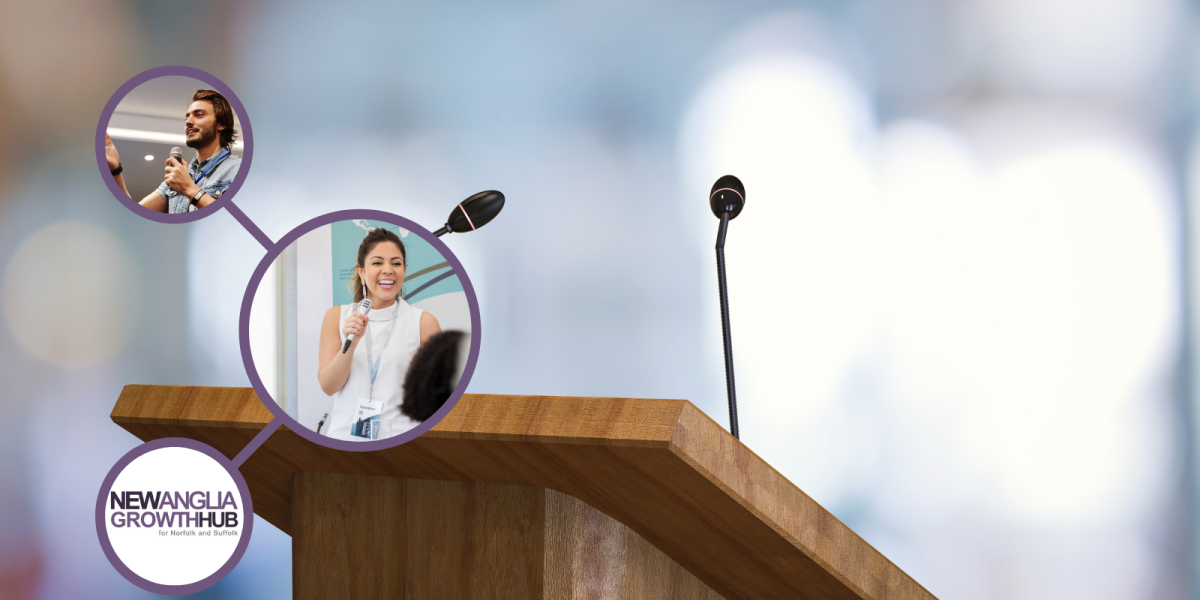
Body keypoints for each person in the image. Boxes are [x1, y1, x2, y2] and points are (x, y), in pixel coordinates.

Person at [317, 228, 442, 440]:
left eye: (396, 263)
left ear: (404, 270)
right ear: (361, 272)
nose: (388, 270)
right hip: (344, 440)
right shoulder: (337, 316)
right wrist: (351, 344)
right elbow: (329, 387)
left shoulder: (423, 322)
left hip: (402, 441)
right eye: (377, 263)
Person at [104, 89, 243, 214]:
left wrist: (189, 189)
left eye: (199, 115)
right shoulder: (179, 177)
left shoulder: (240, 168)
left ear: (221, 124)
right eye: (187, 117)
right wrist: (115, 170)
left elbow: (235, 221)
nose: (188, 121)